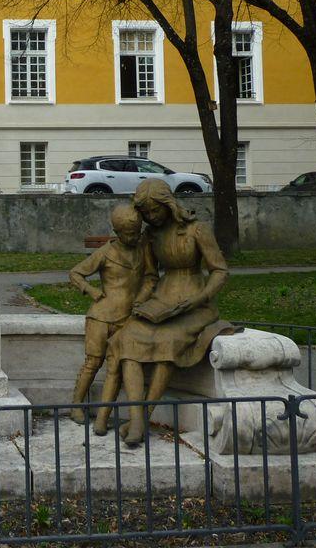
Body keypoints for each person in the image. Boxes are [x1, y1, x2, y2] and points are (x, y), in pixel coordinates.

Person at [105, 179, 233, 446]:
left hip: (195, 304)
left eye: (155, 210)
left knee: (168, 342)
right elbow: (151, 276)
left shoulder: (197, 229)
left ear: (168, 204)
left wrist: (199, 298)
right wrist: (140, 302)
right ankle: (137, 418)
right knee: (127, 339)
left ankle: (142, 419)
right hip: (161, 302)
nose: (152, 217)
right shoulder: (150, 236)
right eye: (146, 213)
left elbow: (220, 271)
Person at [67, 204, 156, 425]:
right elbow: (76, 273)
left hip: (127, 318)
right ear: (117, 232)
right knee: (93, 363)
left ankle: (103, 416)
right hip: (100, 316)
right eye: (129, 234)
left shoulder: (142, 250)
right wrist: (91, 291)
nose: (134, 237)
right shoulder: (105, 253)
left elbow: (150, 278)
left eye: (136, 233)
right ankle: (76, 405)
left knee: (115, 366)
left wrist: (141, 298)